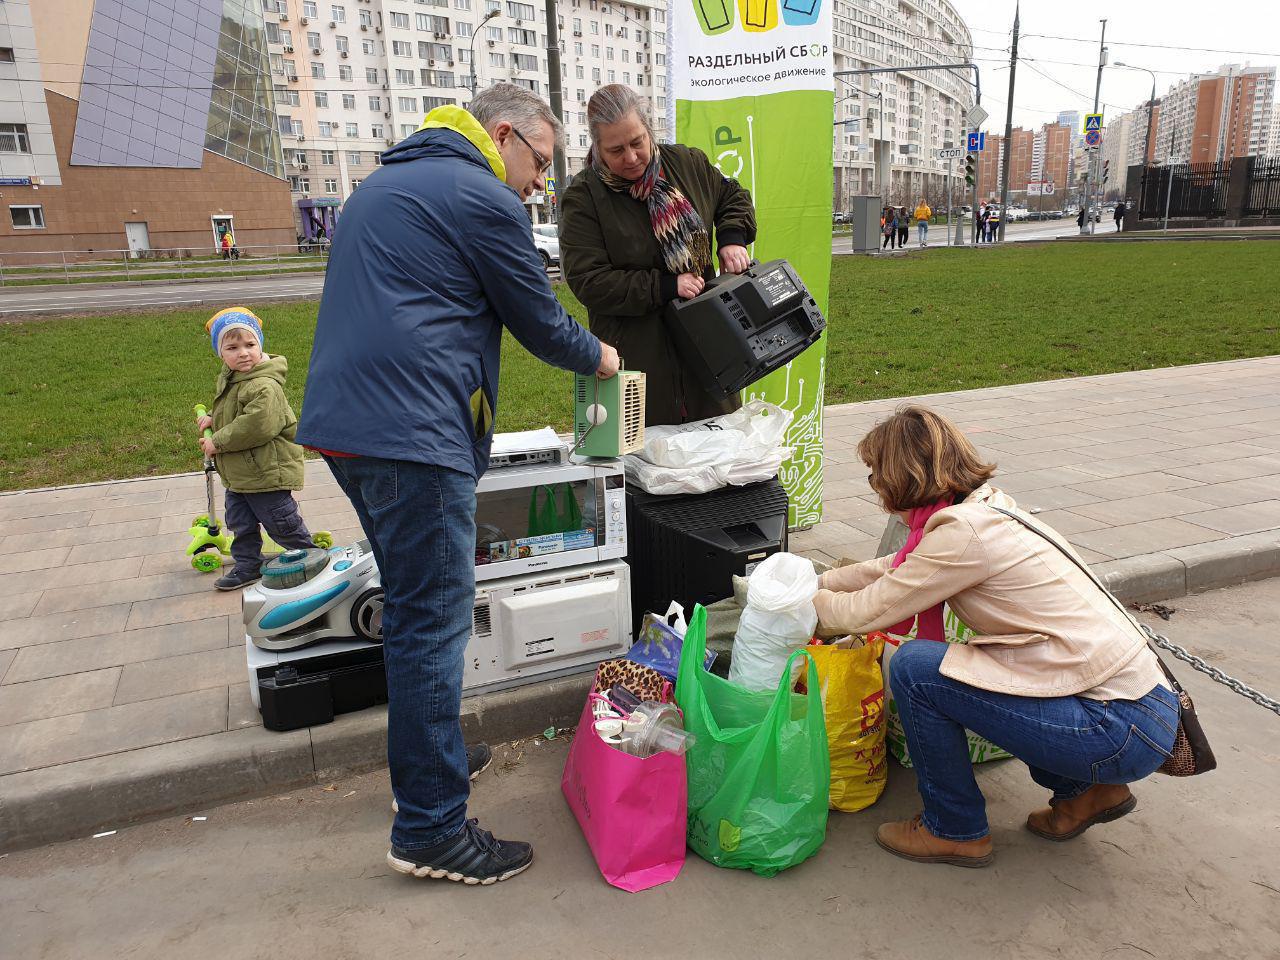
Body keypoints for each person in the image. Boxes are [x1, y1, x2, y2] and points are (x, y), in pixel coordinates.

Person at [296, 85, 620, 886]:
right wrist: (603, 358)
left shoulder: (387, 181)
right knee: (433, 626)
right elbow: (539, 320)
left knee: (413, 610)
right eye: (539, 163)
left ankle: (432, 762)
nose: (538, 184)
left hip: (349, 426)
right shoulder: (480, 194)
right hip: (413, 436)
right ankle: (432, 829)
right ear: (501, 134)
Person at [812, 406, 1178, 868]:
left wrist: (805, 609)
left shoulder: (962, 534)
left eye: (874, 475)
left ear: (898, 475)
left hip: (1116, 726)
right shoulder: (984, 510)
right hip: (1138, 709)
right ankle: (1088, 794)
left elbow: (869, 610)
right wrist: (822, 582)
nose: (875, 488)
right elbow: (895, 570)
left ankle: (954, 828)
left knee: (916, 670)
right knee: (974, 671)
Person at [559, 84, 756, 426]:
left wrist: (731, 238)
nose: (631, 157)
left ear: (649, 131)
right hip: (635, 364)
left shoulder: (687, 163)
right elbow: (588, 281)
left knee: (717, 456)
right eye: (616, 150)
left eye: (637, 142)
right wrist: (665, 286)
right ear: (598, 148)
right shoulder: (584, 197)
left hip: (710, 348)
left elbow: (732, 197)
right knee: (645, 464)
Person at [198, 308, 320, 591]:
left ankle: (313, 559)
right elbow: (235, 412)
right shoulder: (233, 378)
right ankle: (248, 566)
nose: (243, 353)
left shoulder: (265, 385)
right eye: (232, 347)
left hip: (266, 472)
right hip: (242, 475)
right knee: (240, 524)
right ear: (220, 353)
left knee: (281, 524)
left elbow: (256, 425)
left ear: (260, 345)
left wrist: (218, 441)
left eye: (250, 345)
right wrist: (214, 420)